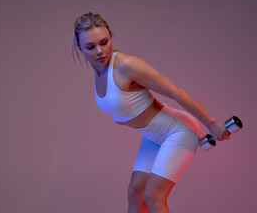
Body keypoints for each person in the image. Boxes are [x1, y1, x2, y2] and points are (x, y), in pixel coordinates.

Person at [71, 12, 230, 213]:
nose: (100, 51)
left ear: (111, 36)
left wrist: (211, 122)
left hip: (177, 132)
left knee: (153, 196)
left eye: (104, 42)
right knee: (135, 194)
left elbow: (175, 91)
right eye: (90, 47)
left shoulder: (126, 66)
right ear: (80, 49)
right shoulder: (99, 73)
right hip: (153, 136)